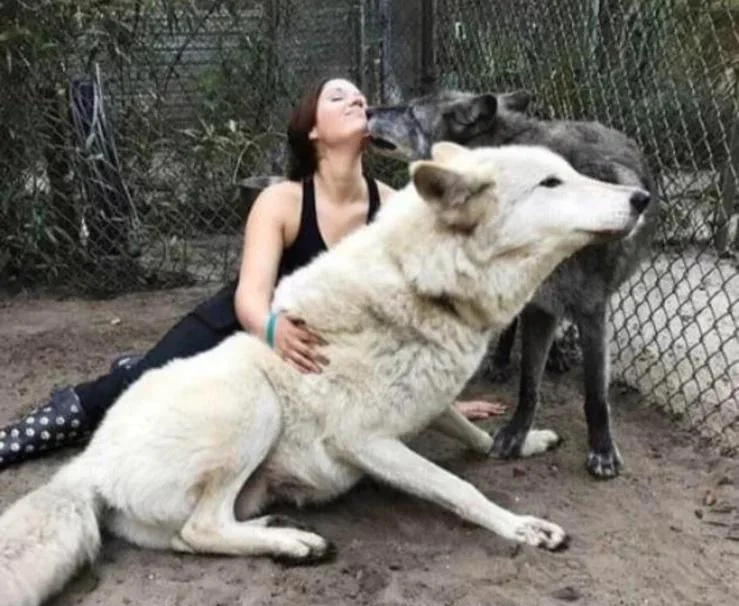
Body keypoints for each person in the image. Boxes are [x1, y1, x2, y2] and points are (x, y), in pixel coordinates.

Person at [0, 77, 504, 470]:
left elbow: (412, 318)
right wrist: (272, 330)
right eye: (339, 96)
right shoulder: (281, 201)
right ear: (312, 130)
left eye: (360, 96)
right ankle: (22, 436)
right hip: (237, 329)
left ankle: (137, 368)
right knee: (133, 398)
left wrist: (446, 407)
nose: (357, 100)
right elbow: (250, 297)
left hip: (302, 358)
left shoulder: (392, 207)